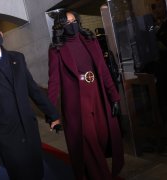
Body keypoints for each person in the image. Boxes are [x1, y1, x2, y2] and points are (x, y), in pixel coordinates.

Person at [0, 18, 61, 180]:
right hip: (6, 138)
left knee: (38, 171)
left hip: (30, 129)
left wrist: (53, 114)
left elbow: (34, 90)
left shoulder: (18, 58)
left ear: (1, 33)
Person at [47, 10, 124, 180]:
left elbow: (103, 69)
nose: (72, 25)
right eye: (67, 23)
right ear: (60, 26)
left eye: (74, 21)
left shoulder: (90, 40)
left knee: (102, 136)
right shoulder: (56, 49)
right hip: (77, 102)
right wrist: (51, 113)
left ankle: (93, 171)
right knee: (88, 141)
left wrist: (114, 96)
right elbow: (54, 82)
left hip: (98, 94)